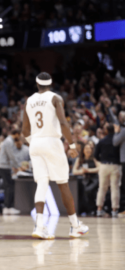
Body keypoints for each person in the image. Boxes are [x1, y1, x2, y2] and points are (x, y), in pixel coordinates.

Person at [22, 72, 89, 239]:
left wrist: (35, 143)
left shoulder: (29, 101)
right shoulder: (55, 98)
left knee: (42, 184)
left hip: (35, 143)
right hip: (52, 142)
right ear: (50, 84)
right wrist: (72, 145)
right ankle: (75, 226)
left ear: (37, 85)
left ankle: (39, 226)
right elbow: (63, 122)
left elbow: (24, 130)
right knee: (63, 184)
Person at [94, 123, 121, 217]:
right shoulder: (118, 141)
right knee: (115, 188)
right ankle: (114, 210)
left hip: (104, 165)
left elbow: (95, 155)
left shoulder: (101, 141)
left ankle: (99, 209)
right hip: (115, 166)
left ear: (106, 130)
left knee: (102, 188)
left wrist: (102, 160)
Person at [0, 130, 22, 215]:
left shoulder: (8, 141)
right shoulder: (9, 141)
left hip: (4, 166)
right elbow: (11, 155)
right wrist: (18, 166)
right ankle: (8, 207)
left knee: (8, 186)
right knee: (9, 187)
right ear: (16, 134)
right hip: (4, 166)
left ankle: (8, 207)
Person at [72, 143, 100, 215]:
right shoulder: (79, 159)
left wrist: (88, 170)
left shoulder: (94, 158)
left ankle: (92, 209)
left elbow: (99, 168)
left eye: (89, 148)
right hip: (84, 180)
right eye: (86, 148)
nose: (88, 150)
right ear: (83, 150)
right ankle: (84, 210)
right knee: (80, 191)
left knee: (88, 190)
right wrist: (81, 171)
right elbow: (74, 171)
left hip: (94, 179)